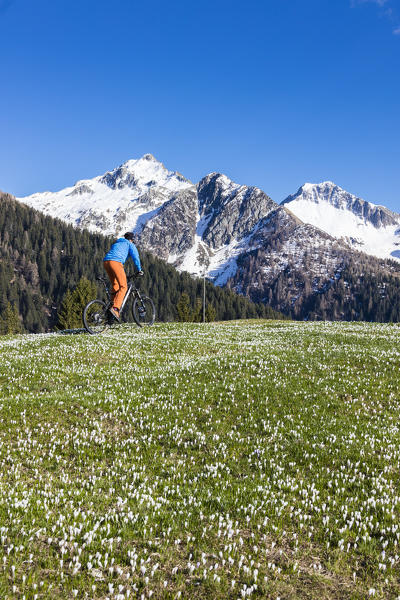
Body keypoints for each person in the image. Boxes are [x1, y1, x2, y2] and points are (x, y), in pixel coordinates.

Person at [103, 232, 143, 321]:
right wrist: (139, 269)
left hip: (106, 262)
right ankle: (115, 308)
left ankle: (111, 307)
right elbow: (136, 257)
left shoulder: (117, 243)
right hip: (116, 263)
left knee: (115, 285)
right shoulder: (130, 244)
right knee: (123, 287)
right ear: (131, 239)